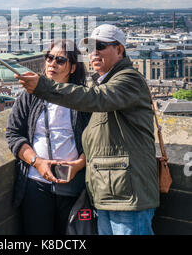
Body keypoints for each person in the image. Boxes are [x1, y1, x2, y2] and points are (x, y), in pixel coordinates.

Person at [16, 24, 160, 235]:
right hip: (108, 192)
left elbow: (94, 99)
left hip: (129, 193)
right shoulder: (104, 83)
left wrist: (42, 86)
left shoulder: (128, 80)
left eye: (100, 46)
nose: (94, 53)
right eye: (90, 48)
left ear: (119, 50)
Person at [6, 40, 91, 235]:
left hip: (73, 184)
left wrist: (78, 164)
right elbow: (13, 134)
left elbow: (97, 141)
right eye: (49, 58)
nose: (52, 63)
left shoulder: (82, 98)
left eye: (60, 60)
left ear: (73, 67)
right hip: (35, 184)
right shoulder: (29, 95)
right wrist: (37, 162)